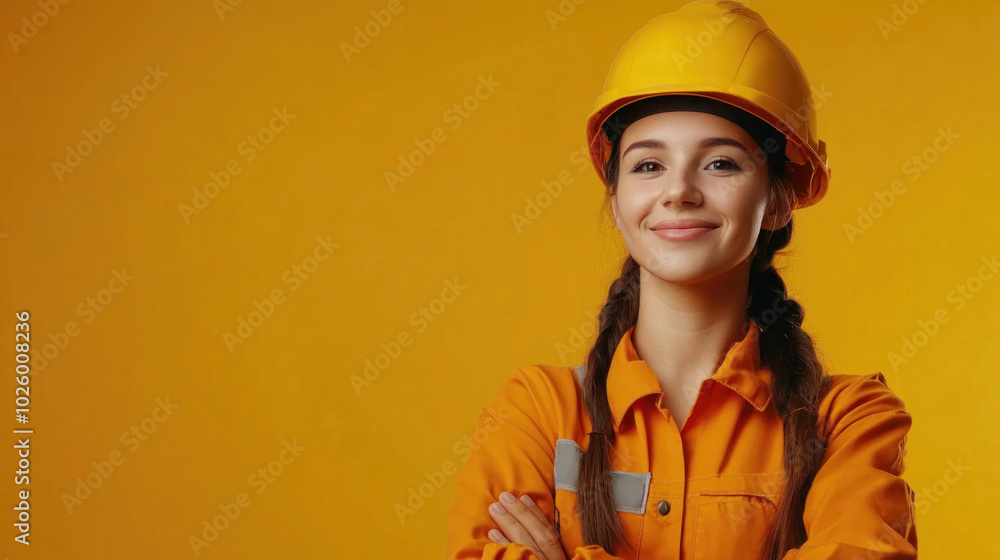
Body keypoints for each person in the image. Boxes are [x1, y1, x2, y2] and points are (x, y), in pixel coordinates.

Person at [444, 1, 917, 559]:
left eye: (721, 163)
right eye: (648, 165)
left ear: (779, 199)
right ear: (616, 201)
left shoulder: (851, 423)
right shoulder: (536, 413)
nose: (679, 191)